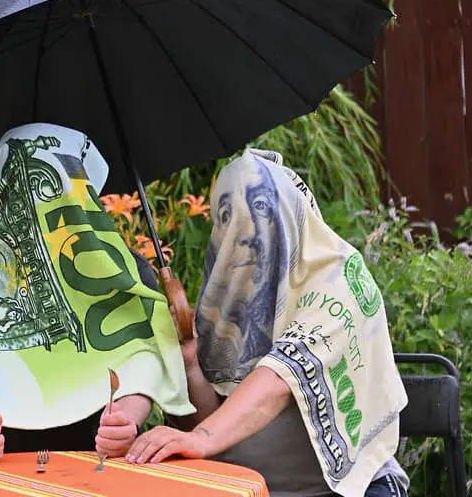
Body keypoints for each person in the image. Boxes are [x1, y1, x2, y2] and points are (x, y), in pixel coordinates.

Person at [0, 123, 195, 462]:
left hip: (96, 460)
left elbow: (143, 356)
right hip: (0, 463)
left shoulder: (124, 272)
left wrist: (126, 420)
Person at [125, 149, 409, 497]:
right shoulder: (227, 293)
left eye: (259, 210)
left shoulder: (338, 278)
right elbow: (206, 424)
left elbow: (278, 380)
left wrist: (200, 439)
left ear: (287, 214)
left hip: (351, 489)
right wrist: (190, 364)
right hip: (251, 488)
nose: (243, 237)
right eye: (228, 218)